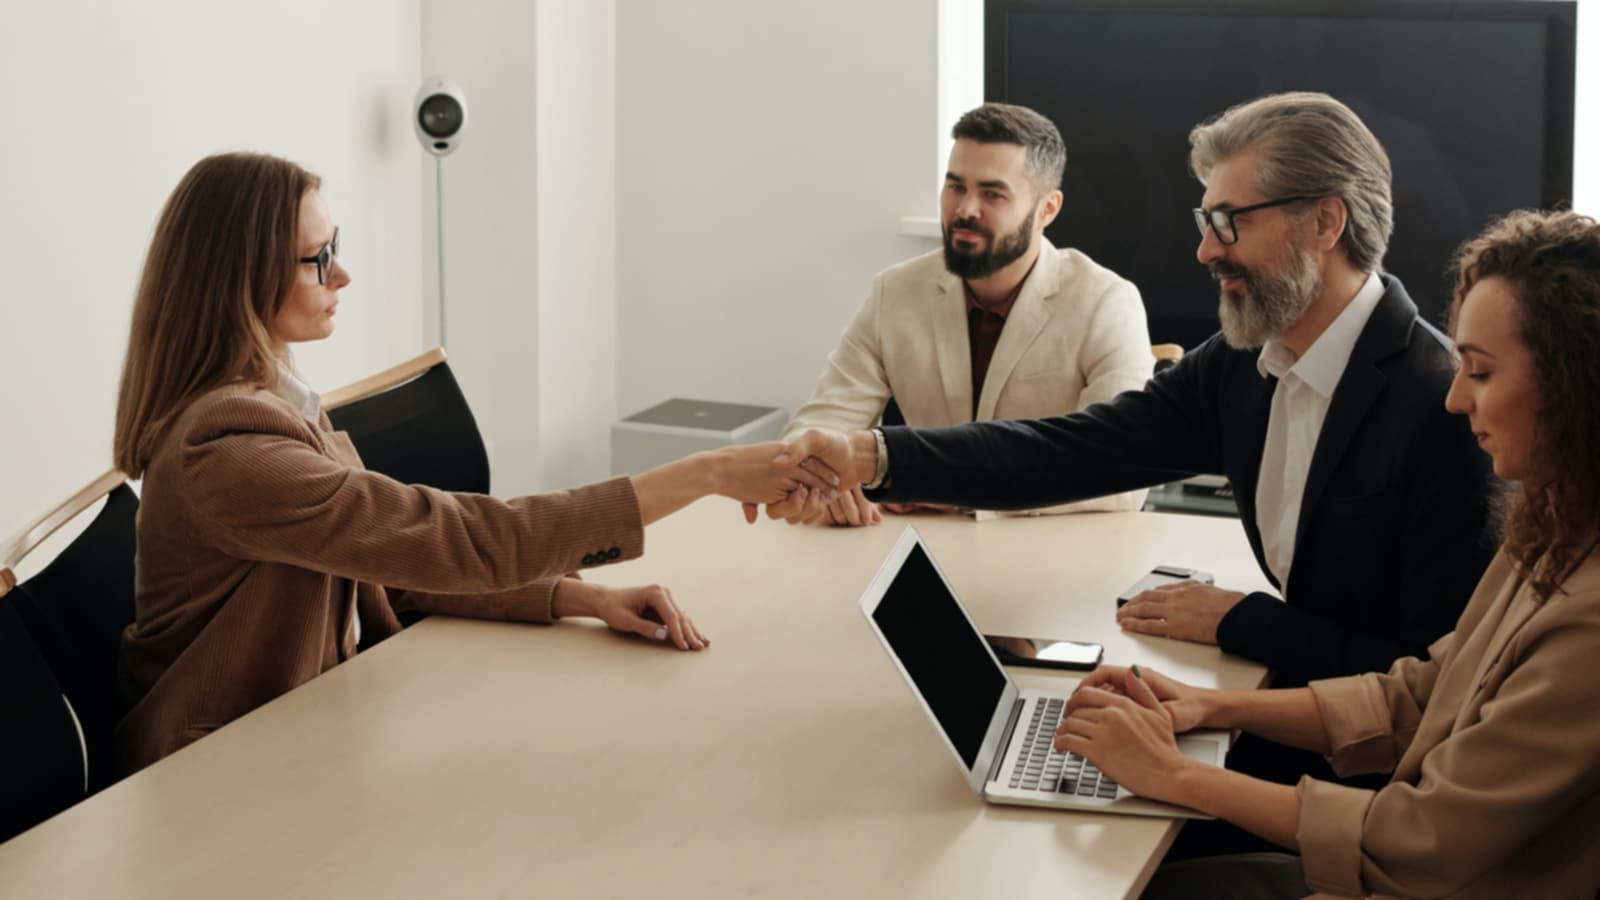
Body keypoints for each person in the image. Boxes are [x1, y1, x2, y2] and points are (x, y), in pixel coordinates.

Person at [772, 92, 1499, 849]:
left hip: (1373, 792)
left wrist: (1241, 620)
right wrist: (878, 456)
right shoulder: (1243, 366)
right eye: (1203, 223)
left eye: (1228, 223)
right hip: (1296, 719)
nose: (1205, 251)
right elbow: (1071, 449)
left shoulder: (1442, 407)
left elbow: (1437, 684)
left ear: (1325, 222)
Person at [111, 152, 834, 774]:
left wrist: (579, 598)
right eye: (319, 259)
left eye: (337, 247)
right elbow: (452, 539)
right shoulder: (230, 449)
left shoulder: (275, 399)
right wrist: (703, 473)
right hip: (218, 777)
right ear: (240, 277)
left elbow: (391, 561)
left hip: (316, 727)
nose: (344, 276)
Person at [1054, 208, 1600, 899]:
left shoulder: (1588, 622)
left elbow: (1418, 843)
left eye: (1483, 374)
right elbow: (1416, 695)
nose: (1457, 399)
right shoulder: (1553, 528)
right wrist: (1208, 707)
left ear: (1577, 387)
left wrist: (1178, 775)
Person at [781, 102, 1152, 526]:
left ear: (1048, 209)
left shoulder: (1106, 301)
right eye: (955, 187)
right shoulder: (895, 292)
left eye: (992, 194)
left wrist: (955, 488)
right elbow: (807, 437)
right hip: (917, 552)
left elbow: (1125, 474)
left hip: (1052, 556)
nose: (965, 209)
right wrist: (827, 480)